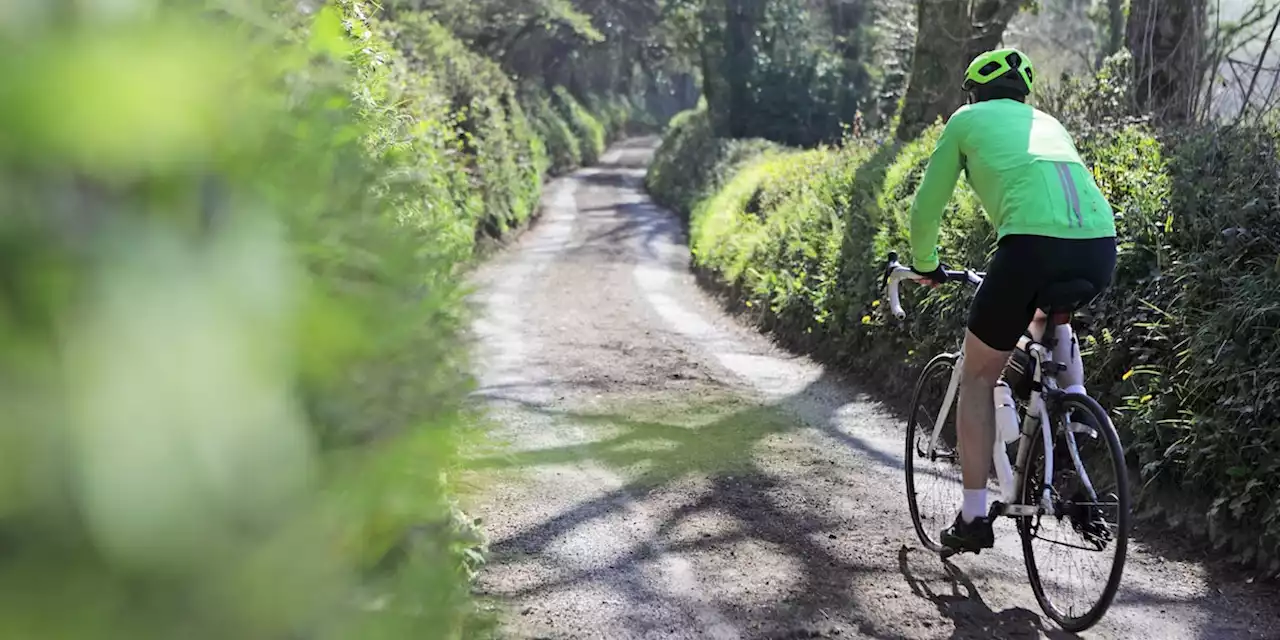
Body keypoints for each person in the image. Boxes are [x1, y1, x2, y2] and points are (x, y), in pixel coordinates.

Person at [906, 47, 1118, 554]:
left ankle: (975, 516)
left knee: (980, 376)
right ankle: (1069, 430)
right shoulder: (1049, 123)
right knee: (1048, 318)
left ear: (974, 93)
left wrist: (924, 263)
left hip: (1027, 248)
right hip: (1099, 247)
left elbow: (926, 207)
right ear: (1023, 96)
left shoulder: (966, 119)